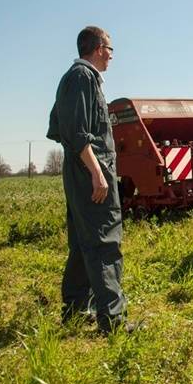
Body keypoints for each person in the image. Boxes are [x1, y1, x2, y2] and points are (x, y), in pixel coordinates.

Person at [47, 26, 135, 335]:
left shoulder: (81, 79)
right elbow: (75, 133)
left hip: (83, 171)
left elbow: (62, 128)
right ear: (98, 48)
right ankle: (113, 320)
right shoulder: (81, 78)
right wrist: (97, 173)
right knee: (105, 241)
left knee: (82, 244)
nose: (112, 55)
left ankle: (74, 310)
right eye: (110, 49)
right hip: (90, 172)